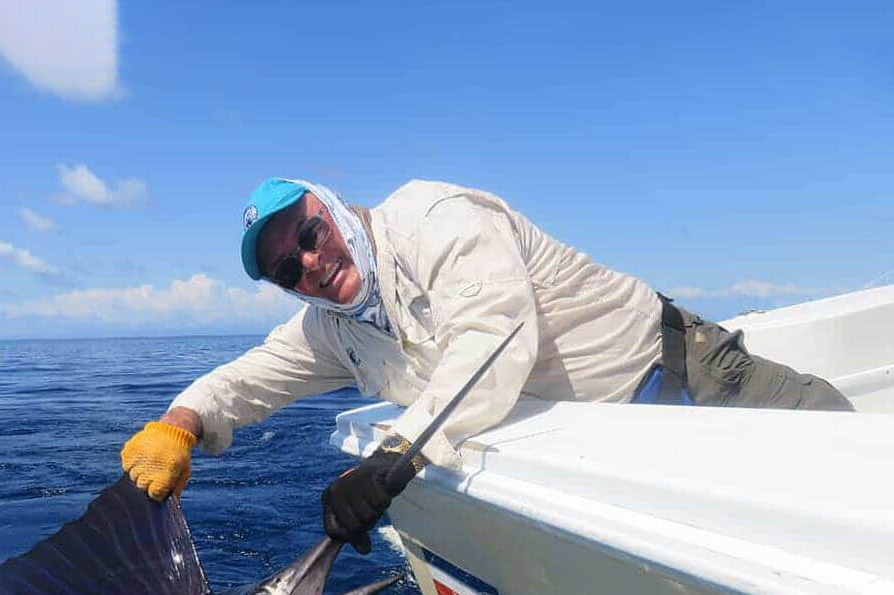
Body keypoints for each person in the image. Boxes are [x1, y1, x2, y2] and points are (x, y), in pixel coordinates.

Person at [121, 178, 853, 551]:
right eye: (288, 269)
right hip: (606, 451)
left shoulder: (436, 219)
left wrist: (389, 462)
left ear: (337, 210)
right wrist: (180, 425)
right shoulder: (331, 327)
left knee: (855, 471)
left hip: (690, 381)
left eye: (311, 235)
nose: (311, 264)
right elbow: (248, 378)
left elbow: (492, 342)